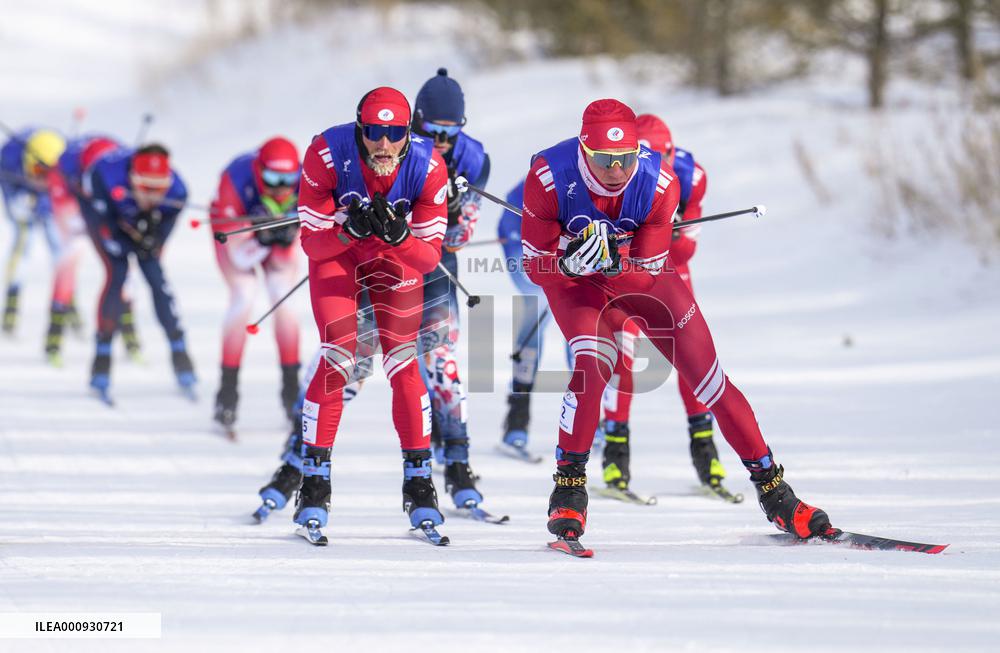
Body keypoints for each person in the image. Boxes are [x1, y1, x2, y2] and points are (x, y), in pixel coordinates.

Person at [520, 99, 832, 546]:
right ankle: (569, 489)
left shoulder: (659, 180)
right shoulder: (549, 175)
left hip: (635, 276)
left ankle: (776, 493)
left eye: (625, 158)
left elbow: (649, 272)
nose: (616, 170)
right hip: (577, 284)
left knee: (710, 379)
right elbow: (534, 266)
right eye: (605, 160)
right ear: (584, 151)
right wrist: (568, 264)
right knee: (594, 366)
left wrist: (613, 262)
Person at [293, 86, 450, 543]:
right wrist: (349, 232)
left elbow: (428, 257)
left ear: (408, 133)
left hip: (395, 258)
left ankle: (419, 484)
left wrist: (401, 237)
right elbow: (312, 244)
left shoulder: (428, 166)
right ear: (360, 129)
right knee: (339, 357)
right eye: (375, 133)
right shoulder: (326, 153)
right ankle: (314, 483)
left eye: (395, 133)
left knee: (402, 360)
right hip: (338, 256)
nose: (384, 144)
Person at [597, 113, 738, 501]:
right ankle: (615, 455)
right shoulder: (617, 171)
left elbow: (687, 250)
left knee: (691, 355)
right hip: (629, 265)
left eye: (662, 161)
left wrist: (670, 229)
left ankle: (705, 452)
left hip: (671, 268)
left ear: (672, 155)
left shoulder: (692, 177)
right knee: (623, 353)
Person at [407, 68, 492, 510]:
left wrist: (454, 211)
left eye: (450, 131)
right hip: (389, 261)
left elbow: (459, 238)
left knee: (440, 356)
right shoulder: (395, 143)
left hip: (438, 261)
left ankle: (459, 460)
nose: (441, 140)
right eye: (432, 129)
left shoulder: (473, 159)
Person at [81, 143, 195, 404]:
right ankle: (101, 360)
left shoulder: (178, 193)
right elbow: (102, 224)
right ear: (132, 179)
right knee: (117, 274)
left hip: (143, 227)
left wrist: (153, 239)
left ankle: (180, 354)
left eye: (159, 188)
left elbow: (163, 233)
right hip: (109, 217)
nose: (153, 196)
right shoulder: (105, 176)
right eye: (145, 187)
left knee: (157, 278)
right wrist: (120, 235)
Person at [210, 136, 302, 433]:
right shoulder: (236, 179)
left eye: (288, 179)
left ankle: (291, 390)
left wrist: (285, 238)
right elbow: (239, 258)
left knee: (282, 296)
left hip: (271, 236)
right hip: (236, 239)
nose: (281, 187)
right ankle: (227, 391)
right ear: (259, 171)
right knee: (244, 296)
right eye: (273, 179)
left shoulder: (306, 182)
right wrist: (259, 236)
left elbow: (286, 264)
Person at [49, 133, 144, 365]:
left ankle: (129, 332)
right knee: (71, 252)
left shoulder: (121, 168)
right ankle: (54, 335)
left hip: (105, 204)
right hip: (73, 199)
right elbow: (63, 208)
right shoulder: (66, 167)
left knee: (123, 263)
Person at [0, 128, 68, 338]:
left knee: (60, 248)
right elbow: (10, 197)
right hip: (21, 195)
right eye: (38, 172)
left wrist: (46, 203)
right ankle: (12, 300)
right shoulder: (8, 159)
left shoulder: (65, 158)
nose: (44, 180)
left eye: (50, 175)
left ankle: (67, 299)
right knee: (22, 244)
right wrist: (23, 203)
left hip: (51, 202)